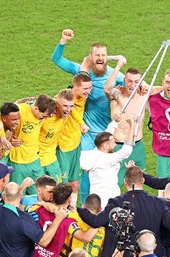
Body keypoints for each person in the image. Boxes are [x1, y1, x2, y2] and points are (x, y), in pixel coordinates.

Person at [51, 28, 125, 200]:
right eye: (96, 55)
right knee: (85, 169)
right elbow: (56, 59)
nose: (100, 58)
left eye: (103, 55)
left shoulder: (115, 75)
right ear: (91, 57)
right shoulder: (82, 73)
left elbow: (135, 84)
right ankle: (85, 203)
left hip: (107, 132)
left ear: (107, 57)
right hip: (85, 132)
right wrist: (63, 41)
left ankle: (109, 202)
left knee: (108, 169)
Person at [80, 115, 135, 207]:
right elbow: (126, 151)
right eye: (113, 143)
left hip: (96, 199)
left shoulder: (95, 152)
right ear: (105, 146)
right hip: (108, 201)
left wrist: (115, 123)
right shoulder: (107, 159)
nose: (116, 144)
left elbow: (106, 134)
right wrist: (132, 126)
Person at [105, 63, 147, 183]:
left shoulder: (144, 95)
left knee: (138, 182)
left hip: (137, 145)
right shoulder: (117, 94)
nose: (132, 85)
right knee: (114, 182)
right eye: (129, 81)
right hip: (118, 145)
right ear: (124, 80)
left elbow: (163, 89)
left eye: (136, 81)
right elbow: (107, 89)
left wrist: (144, 85)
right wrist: (118, 67)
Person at [57, 73, 94, 206]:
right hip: (63, 147)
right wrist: (81, 123)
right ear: (76, 88)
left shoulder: (82, 97)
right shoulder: (65, 101)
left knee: (75, 184)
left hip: (76, 145)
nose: (89, 91)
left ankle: (71, 209)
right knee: (63, 185)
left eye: (90, 88)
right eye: (85, 89)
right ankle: (61, 210)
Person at [7, 95, 55, 195]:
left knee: (39, 194)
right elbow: (2, 121)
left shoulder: (38, 109)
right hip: (18, 160)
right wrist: (9, 139)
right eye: (44, 116)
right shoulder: (20, 111)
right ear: (36, 109)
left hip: (35, 160)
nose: (45, 119)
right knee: (17, 194)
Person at [40, 89, 74, 184]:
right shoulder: (45, 116)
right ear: (57, 104)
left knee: (59, 190)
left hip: (51, 159)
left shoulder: (65, 116)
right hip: (37, 161)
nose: (68, 110)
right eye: (65, 106)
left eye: (71, 106)